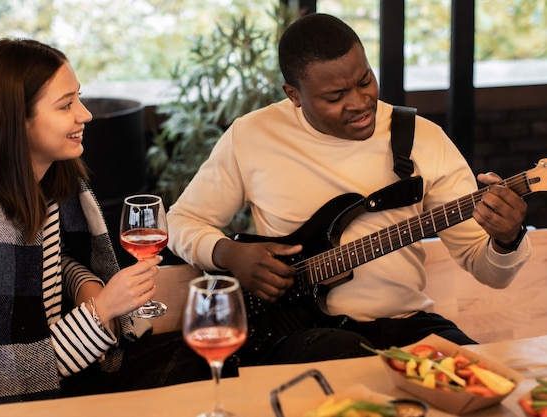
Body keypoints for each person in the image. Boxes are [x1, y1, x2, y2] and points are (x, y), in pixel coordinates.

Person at [166, 13, 532, 366]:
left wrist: (507, 239)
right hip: (298, 332)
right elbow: (182, 220)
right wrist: (229, 254)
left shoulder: (423, 138)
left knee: (483, 376)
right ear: (293, 94)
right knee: (343, 356)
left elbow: (491, 273)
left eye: (365, 80)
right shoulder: (252, 136)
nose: (359, 103)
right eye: (335, 96)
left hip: (405, 323)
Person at [0, 38, 209, 410]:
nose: (85, 114)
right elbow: (7, 382)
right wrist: (103, 309)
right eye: (66, 105)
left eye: (79, 98)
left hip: (59, 366)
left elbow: (48, 262)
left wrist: (83, 281)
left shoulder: (42, 183)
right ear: (16, 121)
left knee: (202, 357)